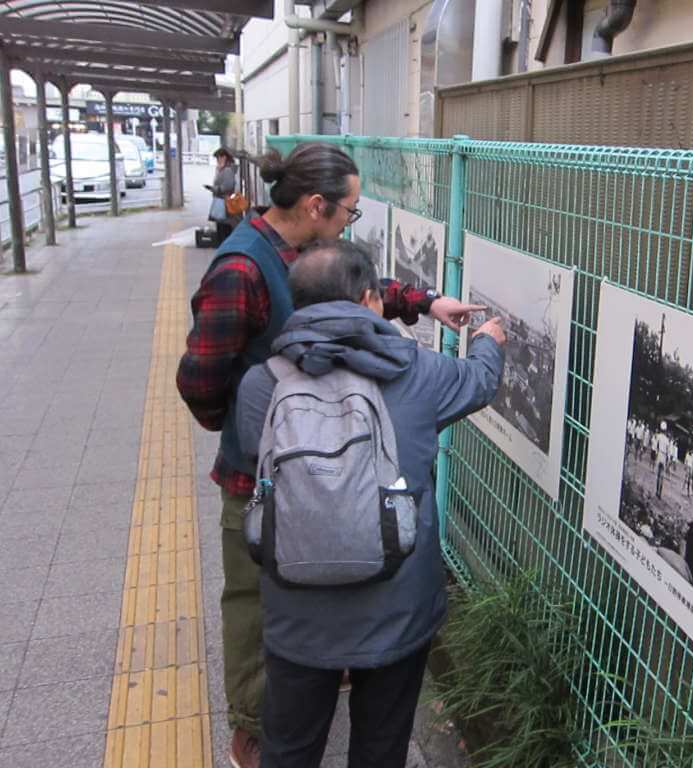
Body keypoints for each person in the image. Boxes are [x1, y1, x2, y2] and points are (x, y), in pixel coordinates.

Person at [176, 142, 485, 768]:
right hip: (261, 473)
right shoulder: (240, 270)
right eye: (350, 211)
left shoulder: (301, 256)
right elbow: (200, 380)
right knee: (255, 598)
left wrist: (423, 302)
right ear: (317, 206)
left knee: (309, 585)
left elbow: (349, 288)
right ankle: (253, 724)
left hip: (303, 455)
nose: (352, 221)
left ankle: (305, 696)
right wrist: (253, 429)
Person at [234, 240, 506, 768]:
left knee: (289, 749)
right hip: (397, 609)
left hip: (296, 615)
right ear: (369, 300)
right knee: (380, 748)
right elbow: (480, 382)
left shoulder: (259, 384)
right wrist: (488, 341)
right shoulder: (420, 374)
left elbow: (259, 467)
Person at [207, 148, 238, 246]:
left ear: (225, 157)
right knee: (222, 226)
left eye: (219, 158)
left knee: (224, 227)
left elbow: (228, 186)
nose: (218, 160)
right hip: (222, 201)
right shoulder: (222, 169)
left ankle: (225, 246)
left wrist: (215, 189)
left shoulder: (228, 170)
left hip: (224, 202)